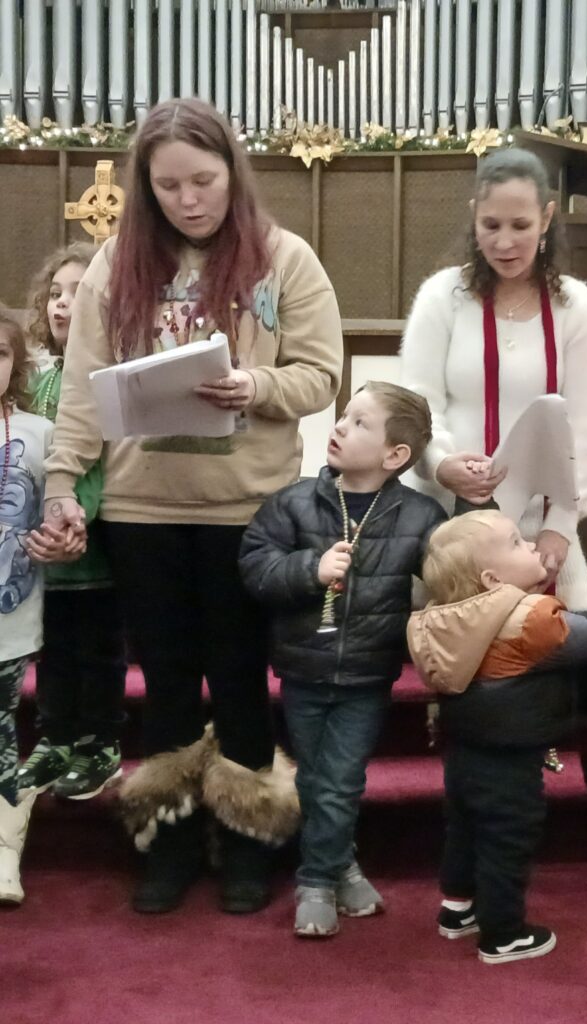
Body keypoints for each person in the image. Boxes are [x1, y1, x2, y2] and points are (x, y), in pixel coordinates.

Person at [40, 98, 343, 916]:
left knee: (242, 679)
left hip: (248, 511)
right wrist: (63, 481)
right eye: (168, 185)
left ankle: (247, 841)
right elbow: (79, 394)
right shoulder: (114, 264)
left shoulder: (285, 257)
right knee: (168, 682)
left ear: (231, 172)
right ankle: (168, 840)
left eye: (203, 180)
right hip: (143, 510)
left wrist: (259, 385)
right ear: (146, 185)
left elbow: (321, 375)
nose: (189, 199)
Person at [399, 147, 587, 904]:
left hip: (545, 527)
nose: (506, 240)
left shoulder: (577, 307)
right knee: (477, 689)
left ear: (549, 219)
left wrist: (558, 528)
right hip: (462, 530)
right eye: (491, 224)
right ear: (474, 220)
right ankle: (469, 853)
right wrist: (443, 463)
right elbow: (415, 405)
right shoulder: (442, 299)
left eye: (521, 224)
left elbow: (584, 427)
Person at [239, 381, 447, 938]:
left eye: (359, 423)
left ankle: (315, 880)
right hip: (303, 669)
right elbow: (255, 567)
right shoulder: (295, 501)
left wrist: (480, 502)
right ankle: (344, 866)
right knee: (318, 779)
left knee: (341, 780)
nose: (338, 426)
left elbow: (456, 570)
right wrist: (310, 569)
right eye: (343, 416)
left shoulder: (417, 513)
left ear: (395, 455)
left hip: (366, 674)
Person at [408, 510, 587, 964]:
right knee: (507, 840)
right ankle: (504, 934)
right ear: (492, 578)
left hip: (463, 752)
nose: (532, 544)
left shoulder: (439, 617)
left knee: (465, 829)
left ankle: (458, 909)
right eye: (517, 543)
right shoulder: (525, 619)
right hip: (510, 758)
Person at [16, 244, 128, 801]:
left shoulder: (114, 381)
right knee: (52, 645)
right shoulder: (31, 383)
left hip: (101, 541)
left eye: (79, 294)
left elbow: (119, 460)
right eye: (56, 294)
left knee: (98, 647)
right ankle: (55, 739)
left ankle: (100, 744)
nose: (63, 305)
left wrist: (84, 513)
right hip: (42, 544)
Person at [0, 310, 62, 903]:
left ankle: (3, 852)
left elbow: (55, 511)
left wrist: (56, 537)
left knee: (0, 729)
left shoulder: (38, 433)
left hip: (9, 614)